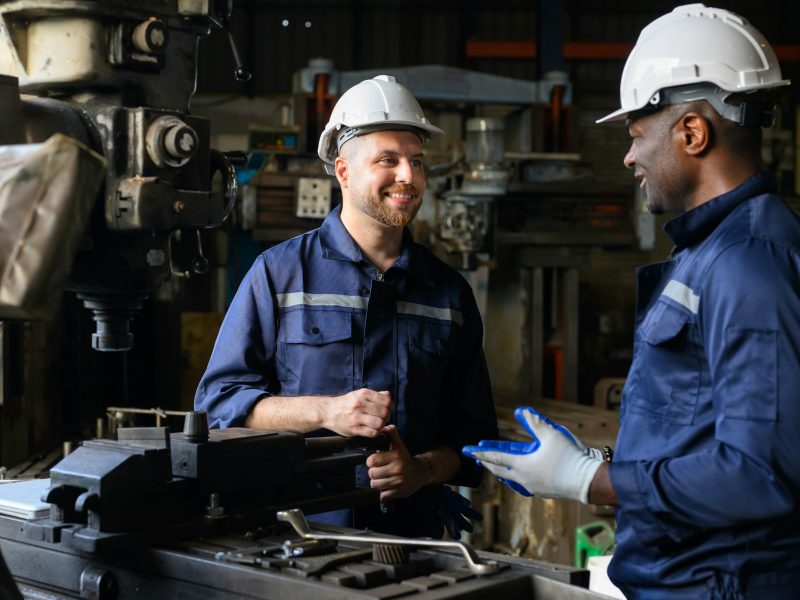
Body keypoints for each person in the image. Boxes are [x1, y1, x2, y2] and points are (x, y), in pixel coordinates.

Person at [464, 4, 800, 598]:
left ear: (693, 132)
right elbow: (700, 428)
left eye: (638, 135)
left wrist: (589, 480)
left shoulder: (748, 261)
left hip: (718, 585)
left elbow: (760, 473)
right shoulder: (709, 251)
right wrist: (606, 459)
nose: (628, 157)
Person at [195, 75, 497, 539]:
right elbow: (220, 404)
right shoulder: (279, 275)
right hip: (298, 537)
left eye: (416, 162)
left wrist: (421, 470)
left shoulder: (449, 294)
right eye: (388, 160)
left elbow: (473, 439)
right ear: (343, 171)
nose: (408, 177)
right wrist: (323, 413)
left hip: (414, 542)